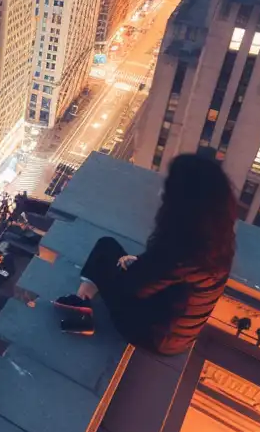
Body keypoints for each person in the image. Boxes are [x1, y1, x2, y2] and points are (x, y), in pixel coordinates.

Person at [55, 152, 236, 355]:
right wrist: (141, 264)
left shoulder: (181, 251)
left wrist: (134, 268)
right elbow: (172, 278)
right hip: (176, 332)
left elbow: (131, 288)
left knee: (105, 251)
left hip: (152, 335)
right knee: (112, 254)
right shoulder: (217, 239)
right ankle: (83, 302)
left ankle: (82, 309)